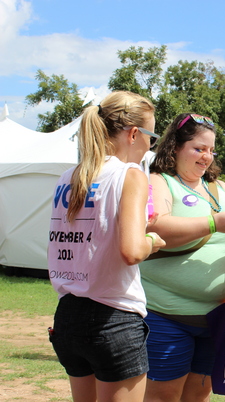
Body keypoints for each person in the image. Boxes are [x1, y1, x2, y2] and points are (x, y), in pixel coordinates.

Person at [47, 91, 166, 401]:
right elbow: (132, 251)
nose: (149, 146)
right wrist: (151, 241)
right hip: (113, 317)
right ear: (134, 134)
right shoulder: (131, 175)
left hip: (68, 314)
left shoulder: (68, 177)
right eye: (151, 137)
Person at [139, 113, 225, 402]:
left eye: (211, 150)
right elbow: (154, 226)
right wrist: (213, 223)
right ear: (175, 147)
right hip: (165, 315)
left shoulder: (220, 187)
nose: (207, 157)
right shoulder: (159, 181)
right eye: (199, 148)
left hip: (218, 317)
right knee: (163, 396)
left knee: (198, 395)